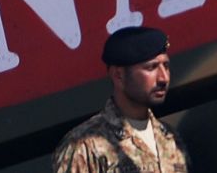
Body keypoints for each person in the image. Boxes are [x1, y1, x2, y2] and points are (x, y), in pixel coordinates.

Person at [52, 26, 190, 173]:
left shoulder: (170, 138)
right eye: (151, 68)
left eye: (166, 66)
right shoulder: (85, 147)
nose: (163, 78)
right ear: (119, 76)